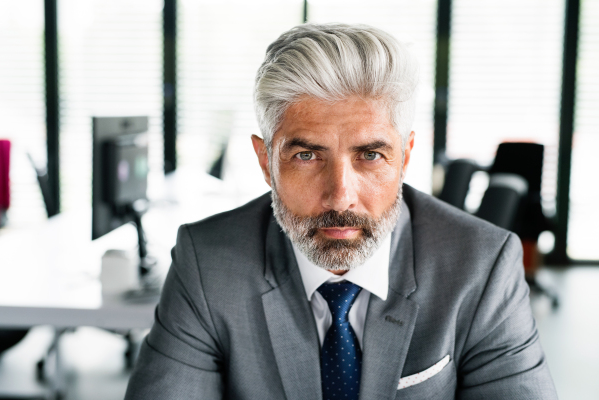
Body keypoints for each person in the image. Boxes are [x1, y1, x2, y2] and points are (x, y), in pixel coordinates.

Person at [125, 23, 557, 399]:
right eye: (307, 156)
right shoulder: (208, 262)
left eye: (370, 155)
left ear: (404, 159)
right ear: (265, 162)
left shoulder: (482, 264)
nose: (340, 197)